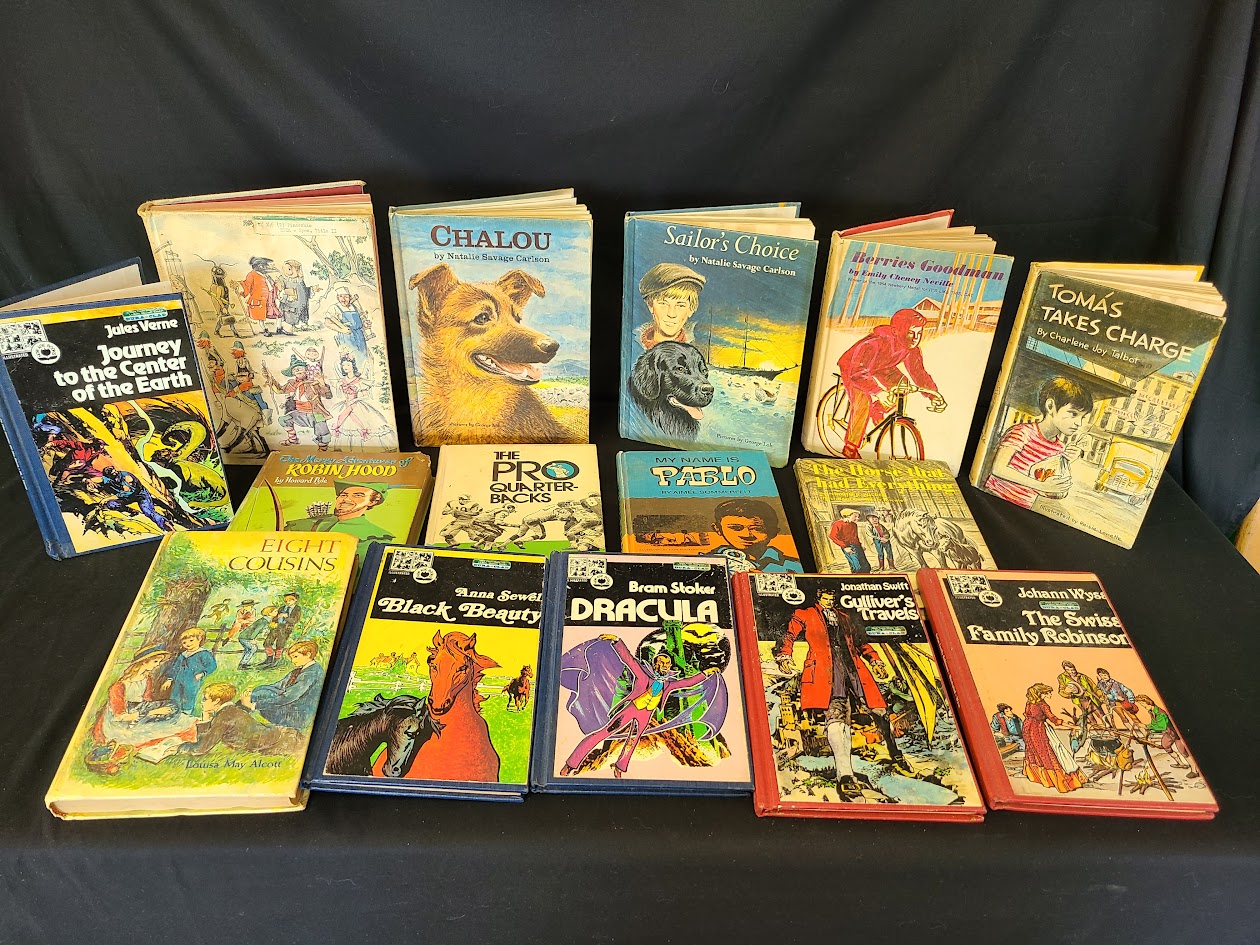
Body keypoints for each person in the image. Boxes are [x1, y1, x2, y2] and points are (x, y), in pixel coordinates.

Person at [775, 588, 910, 800]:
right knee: (837, 718)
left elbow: (860, 642)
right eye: (826, 598)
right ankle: (845, 775)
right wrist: (785, 655)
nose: (829, 601)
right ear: (819, 598)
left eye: (832, 598)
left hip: (855, 671)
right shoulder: (805, 614)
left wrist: (875, 661)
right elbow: (789, 635)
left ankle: (895, 753)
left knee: (880, 712)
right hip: (826, 673)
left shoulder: (845, 618)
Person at [560, 635, 721, 778]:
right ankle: (571, 764)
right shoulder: (643, 676)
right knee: (604, 733)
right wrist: (616, 641)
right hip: (631, 710)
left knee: (632, 741)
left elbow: (688, 682)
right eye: (661, 663)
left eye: (667, 664)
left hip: (646, 716)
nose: (665, 666)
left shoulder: (668, 684)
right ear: (655, 664)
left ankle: (619, 767)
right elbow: (628, 659)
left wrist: (706, 673)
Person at [836, 307, 946, 459]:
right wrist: (878, 392)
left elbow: (919, 374)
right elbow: (858, 373)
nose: (916, 338)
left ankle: (878, 410)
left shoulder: (912, 349)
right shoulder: (874, 343)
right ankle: (850, 446)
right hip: (854, 368)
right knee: (863, 401)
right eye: (911, 332)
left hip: (881, 366)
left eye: (919, 333)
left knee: (903, 386)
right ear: (896, 332)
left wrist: (934, 395)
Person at [984, 376, 1093, 508]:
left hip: (1025, 507)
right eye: (1073, 414)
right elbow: (998, 468)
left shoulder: (1060, 448)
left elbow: (1047, 484)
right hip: (994, 498)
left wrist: (1066, 462)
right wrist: (1041, 485)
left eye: (1083, 417)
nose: (1078, 423)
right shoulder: (1023, 433)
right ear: (1050, 406)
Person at [92, 646, 192, 749]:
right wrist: (152, 712)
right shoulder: (119, 686)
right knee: (149, 725)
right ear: (144, 662)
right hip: (126, 715)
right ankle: (146, 722)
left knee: (173, 705)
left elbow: (147, 701)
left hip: (141, 708)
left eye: (159, 662)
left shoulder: (147, 679)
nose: (158, 664)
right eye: (155, 661)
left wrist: (155, 709)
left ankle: (150, 719)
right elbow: (120, 717)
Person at [179, 683, 305, 757]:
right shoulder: (230, 710)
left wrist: (179, 748)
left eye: (205, 699)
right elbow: (208, 734)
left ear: (217, 701)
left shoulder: (224, 717)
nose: (202, 702)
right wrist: (206, 715)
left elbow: (201, 748)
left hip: (284, 741)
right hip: (283, 735)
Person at [244, 641, 324, 730]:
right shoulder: (298, 671)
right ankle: (241, 714)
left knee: (259, 696)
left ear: (308, 655)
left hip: (297, 716)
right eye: (291, 658)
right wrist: (254, 691)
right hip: (290, 707)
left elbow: (288, 697)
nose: (293, 661)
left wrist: (255, 705)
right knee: (259, 692)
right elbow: (278, 686)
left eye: (296, 657)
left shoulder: (311, 673)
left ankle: (241, 715)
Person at [1022, 682, 1086, 793]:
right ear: (1042, 693)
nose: (1050, 694)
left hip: (1028, 728)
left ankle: (1040, 778)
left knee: (1035, 750)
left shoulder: (1030, 702)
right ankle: (1062, 781)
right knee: (1050, 751)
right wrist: (1073, 727)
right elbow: (1054, 720)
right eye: (1048, 693)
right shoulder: (1043, 705)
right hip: (1039, 730)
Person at [709, 498, 802, 572]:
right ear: (717, 529)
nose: (746, 535)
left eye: (757, 529)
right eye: (736, 528)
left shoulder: (793, 566)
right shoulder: (708, 559)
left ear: (773, 532)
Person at [285, 479, 394, 542]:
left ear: (373, 501)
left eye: (358, 495)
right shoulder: (304, 523)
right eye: (343, 495)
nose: (346, 499)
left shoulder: (376, 536)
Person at [265, 355, 333, 449]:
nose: (297, 370)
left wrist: (322, 383)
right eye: (295, 369)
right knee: (283, 419)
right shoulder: (291, 383)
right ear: (292, 373)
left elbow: (328, 396)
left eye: (300, 368)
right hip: (298, 413)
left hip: (314, 412)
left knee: (322, 427)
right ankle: (293, 439)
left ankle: (323, 446)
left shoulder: (313, 383)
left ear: (306, 370)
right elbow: (279, 390)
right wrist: (270, 378)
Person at [635, 263, 706, 350]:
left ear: (690, 310)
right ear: (650, 306)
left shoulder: (698, 351)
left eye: (680, 305)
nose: (671, 314)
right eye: (663, 303)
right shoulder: (633, 344)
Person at [159, 628, 217, 716]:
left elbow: (212, 665)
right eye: (184, 642)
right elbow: (176, 667)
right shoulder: (183, 655)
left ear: (199, 639)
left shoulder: (203, 653)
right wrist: (169, 679)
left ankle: (186, 713)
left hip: (192, 680)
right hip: (178, 680)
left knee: (189, 696)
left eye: (191, 640)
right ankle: (173, 713)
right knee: (175, 696)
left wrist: (202, 673)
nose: (188, 644)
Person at [1135, 694, 1198, 776]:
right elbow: (1154, 723)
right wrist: (1149, 728)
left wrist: (1146, 726)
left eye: (1143, 704)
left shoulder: (1160, 714)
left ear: (1149, 703)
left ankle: (1194, 770)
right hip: (1168, 733)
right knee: (1165, 745)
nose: (1143, 706)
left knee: (1183, 751)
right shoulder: (1152, 712)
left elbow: (1162, 726)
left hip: (1173, 733)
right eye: (1141, 704)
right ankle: (1181, 763)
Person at [331, 352, 390, 438]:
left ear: (353, 366)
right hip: (345, 404)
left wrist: (354, 400)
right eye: (343, 365)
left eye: (348, 365)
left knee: (361, 423)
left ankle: (363, 432)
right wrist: (338, 387)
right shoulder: (341, 380)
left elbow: (366, 396)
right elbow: (339, 396)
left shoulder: (360, 380)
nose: (345, 367)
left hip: (357, 405)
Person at [232, 256, 290, 336]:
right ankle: (265, 330)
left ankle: (279, 329)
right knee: (261, 316)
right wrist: (239, 288)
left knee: (278, 314)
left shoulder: (266, 275)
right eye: (263, 265)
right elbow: (246, 285)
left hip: (270, 300)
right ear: (258, 266)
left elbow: (272, 285)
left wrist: (277, 288)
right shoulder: (251, 275)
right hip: (259, 300)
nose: (265, 267)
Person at [324, 284, 372, 379]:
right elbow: (327, 322)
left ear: (350, 297)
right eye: (341, 296)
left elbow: (360, 322)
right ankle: (350, 379)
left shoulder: (355, 307)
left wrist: (365, 325)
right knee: (350, 358)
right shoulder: (334, 308)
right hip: (346, 337)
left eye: (346, 296)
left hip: (360, 336)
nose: (344, 299)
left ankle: (363, 377)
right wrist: (342, 329)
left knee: (363, 357)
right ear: (337, 297)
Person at [1056, 660, 1109, 731]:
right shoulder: (1061, 677)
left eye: (1072, 669)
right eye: (1068, 670)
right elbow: (1061, 691)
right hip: (1080, 700)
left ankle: (1112, 732)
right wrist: (1068, 692)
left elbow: (1095, 687)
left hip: (1090, 698)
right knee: (1090, 718)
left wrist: (1101, 696)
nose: (1072, 672)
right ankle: (1098, 734)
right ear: (1065, 670)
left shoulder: (1083, 676)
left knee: (1102, 715)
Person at [259, 592, 302, 669]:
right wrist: (276, 619)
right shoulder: (282, 608)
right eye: (286, 601)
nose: (288, 602)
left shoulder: (297, 609)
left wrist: (286, 617)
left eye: (290, 600)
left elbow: (295, 620)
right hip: (277, 627)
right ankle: (269, 658)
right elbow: (275, 617)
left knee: (280, 643)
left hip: (286, 628)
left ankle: (276, 660)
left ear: (295, 600)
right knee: (267, 642)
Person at [828, 508, 871, 573]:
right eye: (855, 516)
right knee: (857, 567)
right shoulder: (837, 524)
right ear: (847, 516)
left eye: (858, 517)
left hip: (857, 546)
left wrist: (860, 545)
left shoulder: (854, 525)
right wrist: (845, 547)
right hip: (848, 546)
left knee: (866, 566)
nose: (857, 518)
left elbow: (855, 537)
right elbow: (832, 536)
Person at [207, 264, 241, 338]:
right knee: (229, 319)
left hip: (225, 304)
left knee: (222, 319)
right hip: (222, 305)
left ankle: (216, 331)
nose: (222, 279)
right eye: (220, 278)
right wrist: (223, 307)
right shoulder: (219, 287)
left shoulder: (223, 286)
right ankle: (235, 333)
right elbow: (218, 298)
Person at [279, 259, 312, 331]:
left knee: (302, 313)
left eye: (298, 270)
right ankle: (292, 326)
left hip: (301, 304)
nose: (299, 272)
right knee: (291, 315)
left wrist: (312, 289)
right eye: (296, 270)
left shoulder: (300, 280)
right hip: (290, 304)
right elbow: (280, 292)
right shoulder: (283, 279)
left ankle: (303, 324)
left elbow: (304, 291)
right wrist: (287, 297)